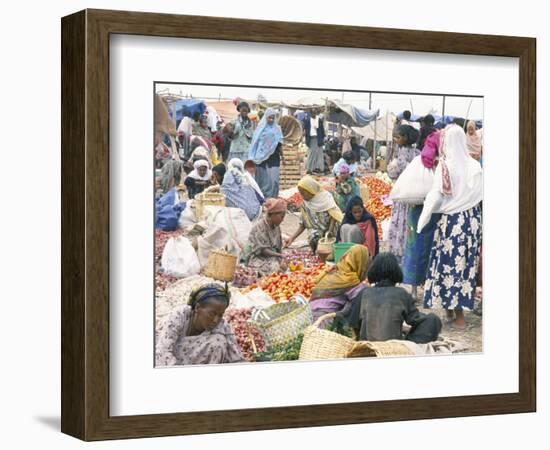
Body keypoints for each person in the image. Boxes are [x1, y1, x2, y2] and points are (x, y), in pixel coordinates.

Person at [418, 124, 483, 329]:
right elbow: (481, 194)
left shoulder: (445, 167)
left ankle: (459, 317)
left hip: (452, 223)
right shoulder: (475, 166)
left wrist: (424, 218)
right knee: (465, 266)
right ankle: (453, 311)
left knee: (448, 265)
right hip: (472, 221)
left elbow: (435, 196)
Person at [344, 252, 442, 343]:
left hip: (367, 345)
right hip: (394, 345)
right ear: (396, 272)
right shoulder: (401, 294)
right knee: (433, 319)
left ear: (373, 271)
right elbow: (416, 320)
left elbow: (353, 324)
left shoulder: (364, 293)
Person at [155, 283, 245, 366]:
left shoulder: (223, 326)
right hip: (173, 364)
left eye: (220, 315)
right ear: (197, 307)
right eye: (212, 313)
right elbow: (163, 351)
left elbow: (236, 358)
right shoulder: (179, 315)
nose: (216, 320)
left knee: (218, 342)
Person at [309, 245, 370, 324]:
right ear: (360, 261)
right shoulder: (349, 278)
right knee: (356, 302)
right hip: (324, 319)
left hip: (311, 314)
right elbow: (363, 296)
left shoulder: (337, 270)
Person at [284, 176, 343, 253]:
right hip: (317, 232)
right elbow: (303, 224)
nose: (302, 196)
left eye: (303, 193)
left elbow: (334, 216)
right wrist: (292, 238)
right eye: (300, 193)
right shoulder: (305, 204)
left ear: (310, 190)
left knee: (334, 243)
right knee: (314, 238)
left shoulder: (326, 197)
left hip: (331, 229)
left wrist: (330, 231)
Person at [387, 125, 419, 264]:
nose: (395, 140)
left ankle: (400, 254)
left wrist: (392, 165)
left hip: (402, 194)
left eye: (397, 137)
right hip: (414, 195)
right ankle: (410, 253)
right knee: (410, 222)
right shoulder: (418, 152)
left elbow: (393, 173)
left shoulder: (401, 154)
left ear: (405, 138)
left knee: (401, 222)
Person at [243, 198, 288, 276]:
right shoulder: (259, 227)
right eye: (281, 217)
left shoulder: (276, 227)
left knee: (282, 266)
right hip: (258, 257)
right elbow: (263, 250)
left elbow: (278, 248)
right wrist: (280, 256)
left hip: (272, 256)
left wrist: (282, 258)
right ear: (272, 215)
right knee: (274, 269)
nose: (283, 220)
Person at [248, 108, 283, 198]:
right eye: (269, 118)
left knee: (274, 179)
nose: (271, 120)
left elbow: (279, 144)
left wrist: (283, 156)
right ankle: (262, 198)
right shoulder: (260, 128)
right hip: (261, 158)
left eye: (272, 118)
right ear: (266, 117)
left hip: (274, 156)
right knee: (262, 179)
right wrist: (253, 157)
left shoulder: (277, 129)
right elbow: (255, 143)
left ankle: (273, 197)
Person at [303, 109, 326, 174]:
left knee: (319, 154)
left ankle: (319, 169)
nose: (314, 114)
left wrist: (323, 138)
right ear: (310, 113)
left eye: (315, 113)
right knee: (311, 154)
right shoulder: (307, 121)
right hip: (311, 139)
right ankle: (309, 169)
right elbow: (305, 129)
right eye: (313, 113)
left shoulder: (319, 120)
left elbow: (322, 131)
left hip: (318, 139)